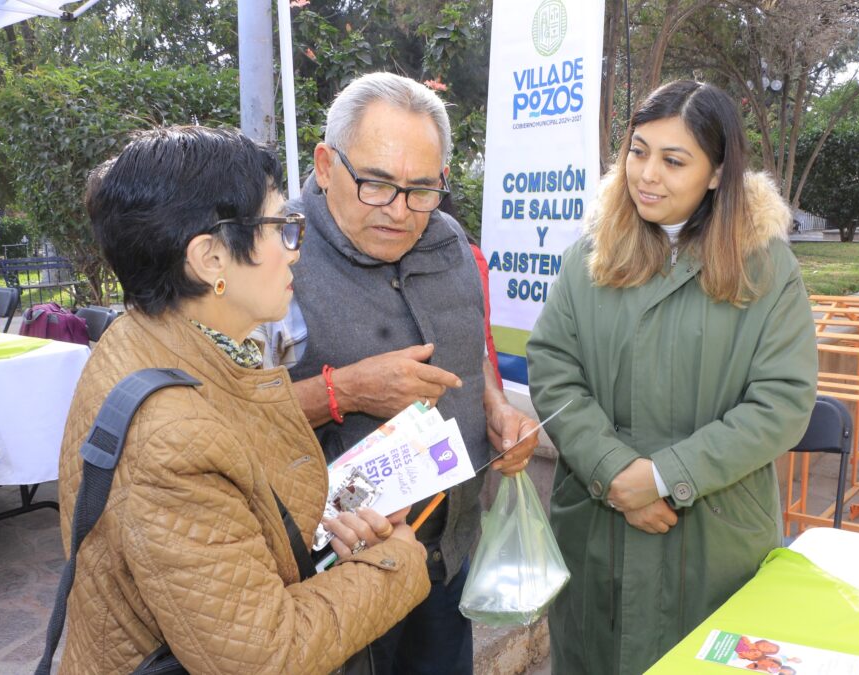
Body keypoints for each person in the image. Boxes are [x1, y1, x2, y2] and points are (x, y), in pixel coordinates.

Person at [55, 126, 430, 674]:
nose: (294, 252)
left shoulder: (148, 338)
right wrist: (397, 559)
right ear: (209, 258)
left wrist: (327, 527)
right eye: (280, 227)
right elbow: (266, 655)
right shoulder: (170, 440)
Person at [526, 80, 818, 674]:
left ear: (716, 173)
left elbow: (782, 400)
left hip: (712, 539)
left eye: (673, 160)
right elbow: (554, 368)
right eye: (638, 151)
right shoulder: (591, 254)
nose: (647, 175)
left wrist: (664, 477)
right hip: (597, 531)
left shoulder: (765, 264)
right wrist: (613, 472)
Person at [255, 72, 538, 675]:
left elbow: (469, 349)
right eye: (377, 185)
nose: (401, 212)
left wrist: (494, 407)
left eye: (421, 189)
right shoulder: (271, 256)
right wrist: (344, 391)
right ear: (327, 164)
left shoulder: (448, 241)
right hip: (335, 570)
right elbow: (227, 416)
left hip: (445, 549)